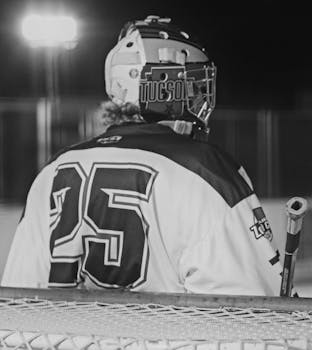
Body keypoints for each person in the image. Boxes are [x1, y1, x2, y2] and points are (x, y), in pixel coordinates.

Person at [1, 15, 284, 296]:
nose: (199, 97)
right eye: (193, 83)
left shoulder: (53, 170)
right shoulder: (206, 170)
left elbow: (22, 297)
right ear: (163, 84)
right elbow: (249, 306)